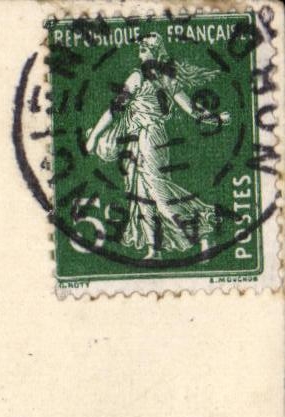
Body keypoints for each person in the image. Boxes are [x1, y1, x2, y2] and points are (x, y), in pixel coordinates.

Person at [83, 33, 230, 258]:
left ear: (156, 51)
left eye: (145, 46)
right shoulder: (164, 79)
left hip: (148, 137)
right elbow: (119, 107)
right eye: (140, 46)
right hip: (141, 139)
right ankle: (154, 250)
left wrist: (94, 136)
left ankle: (203, 229)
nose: (140, 49)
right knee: (141, 195)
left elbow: (190, 110)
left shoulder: (142, 77)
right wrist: (217, 118)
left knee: (159, 194)